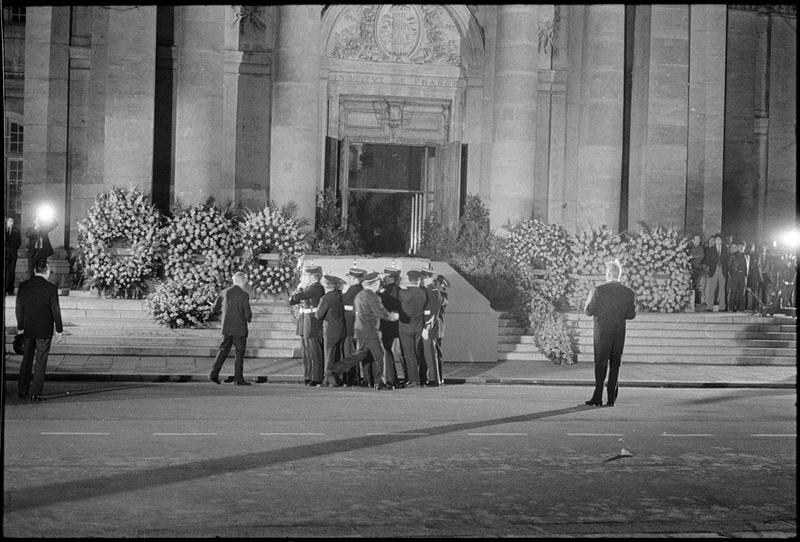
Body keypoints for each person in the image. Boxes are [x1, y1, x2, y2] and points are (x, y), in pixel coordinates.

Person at [328, 272, 399, 390]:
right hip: (370, 329)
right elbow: (380, 312)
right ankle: (379, 382)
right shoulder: (372, 296)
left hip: (359, 328)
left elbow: (354, 311)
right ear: (372, 284)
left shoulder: (359, 295)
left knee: (360, 354)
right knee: (379, 355)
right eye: (377, 282)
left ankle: (335, 370)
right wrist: (393, 316)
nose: (379, 284)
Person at [584, 260, 636, 407]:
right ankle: (611, 398)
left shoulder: (600, 290)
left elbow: (589, 311)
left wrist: (588, 301)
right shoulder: (628, 292)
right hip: (618, 333)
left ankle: (598, 396)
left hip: (602, 333)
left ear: (608, 274)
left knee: (600, 364)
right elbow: (631, 315)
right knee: (615, 365)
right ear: (619, 275)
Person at [15, 259, 64, 401]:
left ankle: (22, 388)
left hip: (28, 328)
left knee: (27, 359)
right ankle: (35, 392)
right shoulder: (51, 288)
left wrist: (20, 327)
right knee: (41, 361)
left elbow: (19, 308)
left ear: (35, 270)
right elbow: (55, 310)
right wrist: (59, 330)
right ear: (46, 271)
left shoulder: (24, 286)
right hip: (44, 329)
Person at [209, 271, 252, 386]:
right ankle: (238, 378)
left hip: (227, 327)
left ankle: (213, 374)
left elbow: (214, 309)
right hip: (240, 328)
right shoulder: (244, 295)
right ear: (242, 281)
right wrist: (249, 318)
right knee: (239, 354)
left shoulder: (224, 292)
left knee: (222, 351)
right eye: (245, 281)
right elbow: (247, 314)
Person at [289, 265, 325, 386]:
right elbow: (292, 301)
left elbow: (298, 297)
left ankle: (316, 377)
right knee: (307, 352)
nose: (303, 277)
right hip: (306, 322)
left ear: (312, 276)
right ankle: (309, 375)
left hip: (313, 323)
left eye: (305, 275)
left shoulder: (316, 288)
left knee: (314, 351)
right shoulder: (309, 288)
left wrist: (299, 287)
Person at [397, 270, 428, 387]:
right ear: (419, 280)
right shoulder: (423, 293)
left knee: (409, 354)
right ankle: (421, 378)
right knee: (418, 353)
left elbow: (399, 297)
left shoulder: (403, 293)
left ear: (410, 280)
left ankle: (413, 379)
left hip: (405, 327)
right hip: (418, 326)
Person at [316, 274, 346, 387]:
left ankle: (329, 381)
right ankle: (338, 379)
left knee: (329, 354)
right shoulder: (340, 296)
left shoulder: (326, 298)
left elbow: (318, 315)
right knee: (338, 355)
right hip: (341, 328)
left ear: (329, 285)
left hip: (330, 329)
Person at [340, 267, 367, 386]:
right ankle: (353, 377)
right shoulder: (359, 288)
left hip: (349, 324)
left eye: (350, 278)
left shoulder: (353, 289)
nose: (349, 280)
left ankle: (351, 378)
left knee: (349, 352)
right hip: (354, 323)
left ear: (354, 278)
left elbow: (342, 300)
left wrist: (342, 291)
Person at [379, 267, 403, 386]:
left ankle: (391, 378)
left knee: (387, 351)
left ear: (389, 277)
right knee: (402, 353)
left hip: (388, 325)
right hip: (398, 325)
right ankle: (405, 377)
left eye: (385, 277)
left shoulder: (387, 292)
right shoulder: (399, 290)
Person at [421, 268, 443, 386]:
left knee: (430, 353)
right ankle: (433, 378)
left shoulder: (434, 292)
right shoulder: (427, 290)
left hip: (430, 327)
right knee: (428, 354)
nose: (422, 280)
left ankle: (434, 379)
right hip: (427, 326)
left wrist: (427, 327)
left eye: (424, 278)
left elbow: (433, 313)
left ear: (429, 278)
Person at [703, 234, 728, 311]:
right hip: (713, 270)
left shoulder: (725, 249)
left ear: (721, 240)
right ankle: (709, 306)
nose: (718, 241)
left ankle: (722, 307)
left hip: (722, 270)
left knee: (722, 289)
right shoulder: (711, 249)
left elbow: (727, 260)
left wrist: (726, 269)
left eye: (719, 239)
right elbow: (707, 260)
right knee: (711, 288)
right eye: (716, 240)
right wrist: (709, 267)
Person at [727, 241, 746, 312]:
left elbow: (747, 267)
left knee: (742, 293)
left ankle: (741, 308)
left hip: (743, 276)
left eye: (742, 247)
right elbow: (729, 265)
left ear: (744, 247)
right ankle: (731, 308)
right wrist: (733, 274)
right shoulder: (734, 255)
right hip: (735, 275)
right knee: (733, 291)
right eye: (739, 247)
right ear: (737, 247)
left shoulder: (747, 256)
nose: (741, 248)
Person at [5, 216, 22, 294]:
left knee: (12, 271)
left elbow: (19, 242)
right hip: (6, 253)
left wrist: (14, 249)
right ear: (6, 221)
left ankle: (10, 289)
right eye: (9, 221)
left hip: (13, 254)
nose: (11, 222)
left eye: (12, 221)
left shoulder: (16, 231)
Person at [688, 234, 706, 307]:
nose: (698, 241)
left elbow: (700, 256)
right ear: (693, 240)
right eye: (696, 239)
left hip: (698, 269)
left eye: (699, 240)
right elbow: (690, 257)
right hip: (690, 269)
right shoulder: (689, 248)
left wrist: (693, 257)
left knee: (697, 286)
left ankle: (696, 302)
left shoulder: (701, 248)